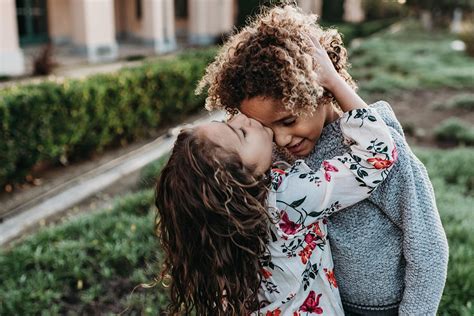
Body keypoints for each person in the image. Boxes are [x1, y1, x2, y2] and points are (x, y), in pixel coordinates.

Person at [196, 4, 449, 315]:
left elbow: (428, 246)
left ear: (323, 92)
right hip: (329, 304)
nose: (282, 139)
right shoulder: (274, 158)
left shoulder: (374, 147)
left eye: (288, 121)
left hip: (385, 308)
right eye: (266, 128)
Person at [155, 36, 397, 314]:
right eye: (240, 132)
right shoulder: (288, 198)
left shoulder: (228, 222)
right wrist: (334, 82)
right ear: (240, 178)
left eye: (227, 120)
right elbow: (377, 156)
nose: (241, 118)